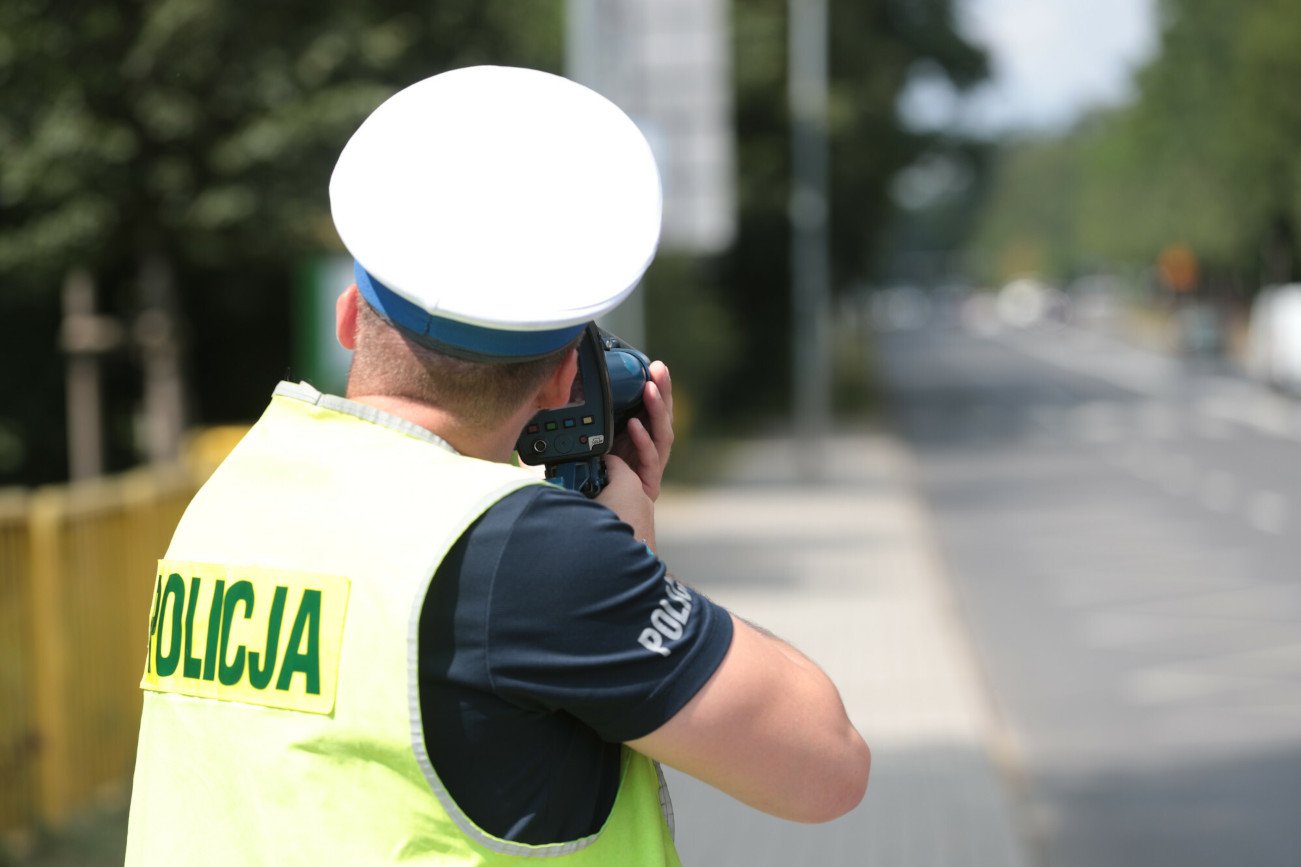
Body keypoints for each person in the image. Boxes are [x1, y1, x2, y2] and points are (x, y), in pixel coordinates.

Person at [125, 65, 868, 865]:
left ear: (349, 318)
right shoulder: (531, 555)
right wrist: (631, 560)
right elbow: (825, 764)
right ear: (559, 379)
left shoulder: (238, 488)